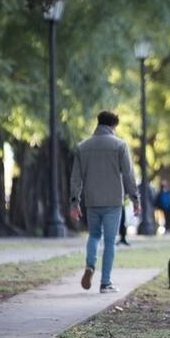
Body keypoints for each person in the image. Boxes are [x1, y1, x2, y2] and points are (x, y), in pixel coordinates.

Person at [69, 110, 140, 293]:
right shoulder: (119, 145)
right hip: (113, 201)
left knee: (93, 235)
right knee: (110, 241)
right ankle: (105, 282)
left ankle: (90, 265)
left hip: (92, 200)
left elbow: (75, 178)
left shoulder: (82, 147)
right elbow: (128, 174)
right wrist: (135, 198)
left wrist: (74, 202)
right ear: (113, 126)